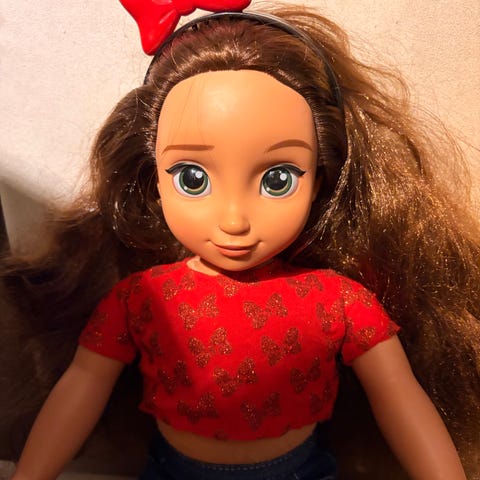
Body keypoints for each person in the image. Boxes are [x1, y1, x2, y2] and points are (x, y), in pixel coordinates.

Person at [4, 1, 479, 478]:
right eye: (192, 178)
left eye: (278, 179)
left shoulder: (340, 302)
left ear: (319, 180)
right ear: (154, 177)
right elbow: (83, 385)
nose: (234, 220)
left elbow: (400, 398)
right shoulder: (141, 298)